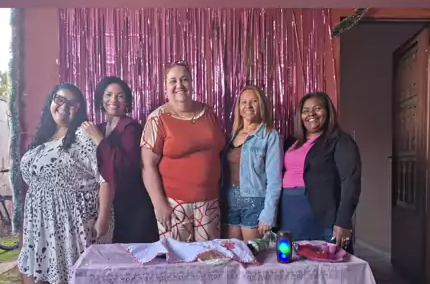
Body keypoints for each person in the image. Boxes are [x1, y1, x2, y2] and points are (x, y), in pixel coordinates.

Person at [18, 83, 111, 284]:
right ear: (51, 101)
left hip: (73, 217)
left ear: (78, 109)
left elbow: (105, 177)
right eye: (59, 99)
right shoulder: (43, 138)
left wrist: (103, 218)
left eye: (72, 104)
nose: (64, 107)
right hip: (40, 217)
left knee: (78, 272)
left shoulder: (82, 135)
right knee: (31, 266)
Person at [141, 61, 225, 242]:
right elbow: (147, 165)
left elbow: (219, 152)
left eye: (184, 79)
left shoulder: (209, 113)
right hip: (174, 205)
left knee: (208, 256)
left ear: (192, 83)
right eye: (173, 81)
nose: (179, 85)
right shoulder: (157, 118)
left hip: (210, 203)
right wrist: (159, 204)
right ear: (165, 86)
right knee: (177, 257)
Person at [278, 91, 361, 248]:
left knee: (328, 259)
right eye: (306, 111)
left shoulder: (340, 140)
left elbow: (350, 181)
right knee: (292, 258)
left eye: (317, 108)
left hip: (322, 213)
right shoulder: (290, 141)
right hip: (289, 210)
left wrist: (343, 221)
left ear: (328, 111)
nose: (311, 114)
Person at [82, 76, 158, 243]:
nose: (113, 100)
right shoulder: (99, 128)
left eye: (120, 96)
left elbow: (126, 166)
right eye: (108, 95)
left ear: (127, 101)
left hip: (132, 204)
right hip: (108, 204)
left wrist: (100, 141)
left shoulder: (132, 128)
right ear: (101, 99)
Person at [221, 85, 282, 241]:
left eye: (253, 101)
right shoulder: (232, 135)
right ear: (238, 107)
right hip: (229, 201)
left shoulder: (270, 135)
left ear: (261, 105)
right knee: (231, 251)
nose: (248, 106)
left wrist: (268, 213)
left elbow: (274, 179)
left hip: (255, 201)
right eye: (243, 102)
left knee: (252, 252)